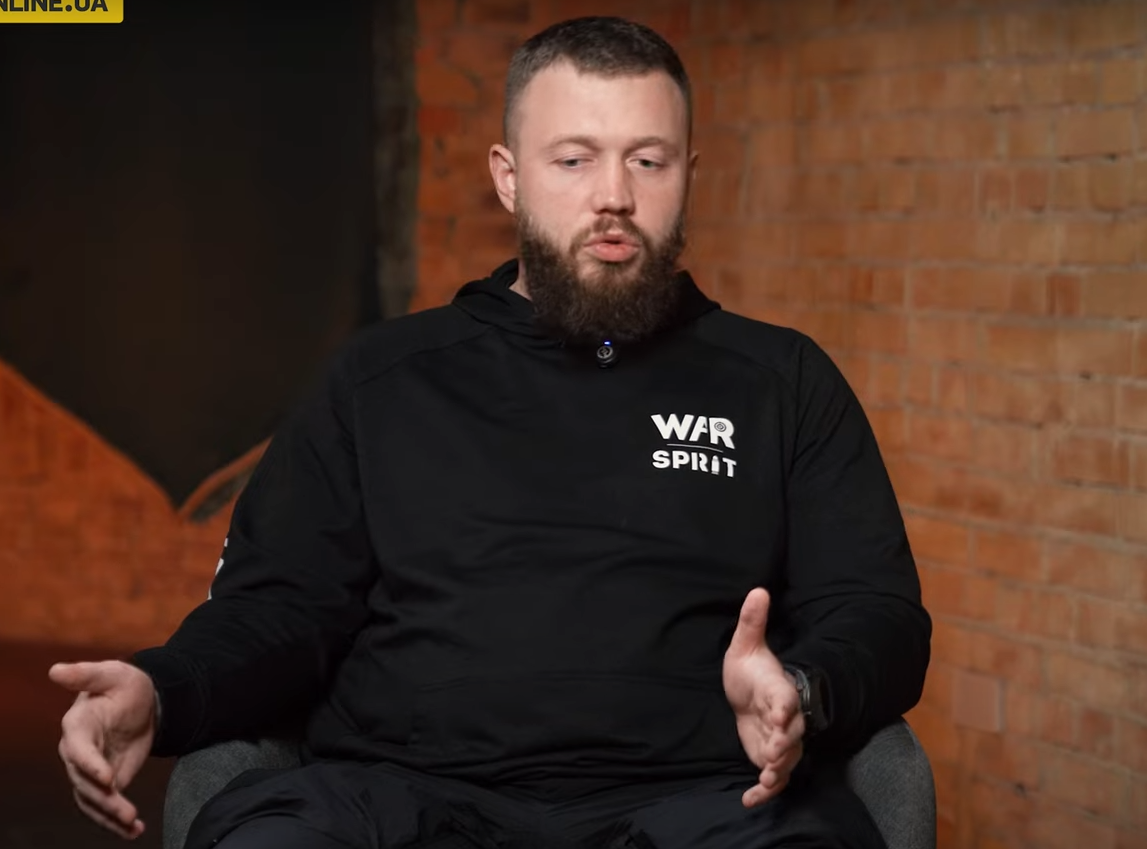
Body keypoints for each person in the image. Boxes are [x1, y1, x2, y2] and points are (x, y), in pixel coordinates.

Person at [52, 16, 930, 849]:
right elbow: (280, 605)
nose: (615, 196)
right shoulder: (381, 381)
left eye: (648, 160)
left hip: (704, 799)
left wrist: (803, 687)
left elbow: (879, 612)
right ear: (508, 177)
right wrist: (160, 689)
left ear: (688, 174)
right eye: (574, 159)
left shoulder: (781, 382)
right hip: (406, 791)